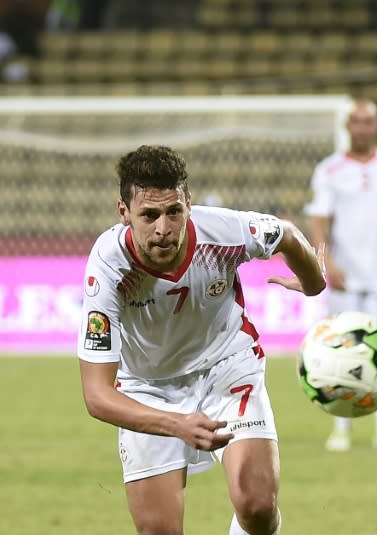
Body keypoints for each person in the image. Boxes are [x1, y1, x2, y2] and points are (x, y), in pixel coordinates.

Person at [77, 145, 326, 535]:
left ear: (188, 204)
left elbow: (288, 236)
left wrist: (314, 284)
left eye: (174, 211)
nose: (163, 228)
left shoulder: (224, 231)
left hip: (226, 368)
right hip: (148, 387)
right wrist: (176, 424)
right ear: (124, 213)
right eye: (149, 215)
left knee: (257, 505)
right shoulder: (109, 266)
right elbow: (96, 395)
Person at [305, 98, 377, 452]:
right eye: (357, 121)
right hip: (345, 276)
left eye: (369, 121)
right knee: (340, 350)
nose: (363, 128)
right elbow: (318, 219)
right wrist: (326, 263)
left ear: (376, 126)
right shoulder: (329, 170)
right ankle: (342, 428)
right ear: (348, 126)